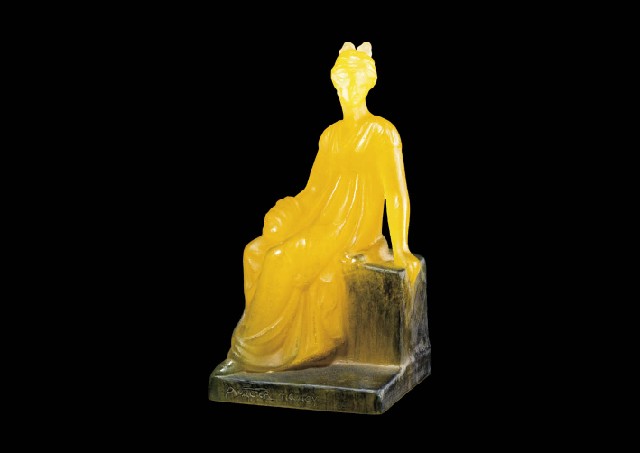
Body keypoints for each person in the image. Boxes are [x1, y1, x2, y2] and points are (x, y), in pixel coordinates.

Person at [214, 42, 421, 374]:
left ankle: (248, 354)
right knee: (254, 252)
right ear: (335, 83)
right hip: (323, 219)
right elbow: (313, 191)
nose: (348, 90)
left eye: (355, 81)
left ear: (367, 84)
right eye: (342, 81)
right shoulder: (331, 136)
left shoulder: (381, 133)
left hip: (351, 230)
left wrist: (402, 248)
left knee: (280, 258)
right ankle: (284, 345)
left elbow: (396, 194)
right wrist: (287, 211)